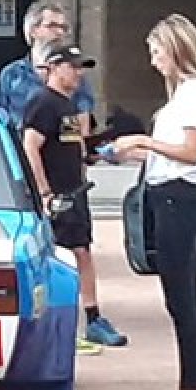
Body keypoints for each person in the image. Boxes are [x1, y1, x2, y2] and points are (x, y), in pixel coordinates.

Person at [111, 14, 196, 390]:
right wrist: (135, 153)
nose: (154, 61)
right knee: (185, 293)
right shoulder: (186, 94)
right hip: (170, 193)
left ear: (177, 50)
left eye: (157, 52)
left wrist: (143, 140)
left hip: (179, 197)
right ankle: (190, 388)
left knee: (182, 295)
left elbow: (192, 153)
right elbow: (176, 152)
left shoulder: (195, 93)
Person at [22, 43, 126, 354]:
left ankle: (92, 318)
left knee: (82, 250)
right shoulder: (43, 103)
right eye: (72, 66)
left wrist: (95, 153)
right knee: (58, 256)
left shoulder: (69, 105)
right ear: (53, 67)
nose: (78, 73)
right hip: (57, 195)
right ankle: (57, 321)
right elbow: (30, 146)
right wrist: (44, 191)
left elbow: (71, 145)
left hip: (75, 191)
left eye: (80, 67)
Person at [0, 1, 96, 131]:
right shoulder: (11, 75)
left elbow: (81, 125)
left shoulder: (74, 75)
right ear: (33, 31)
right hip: (17, 147)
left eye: (63, 27)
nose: (59, 32)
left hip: (59, 147)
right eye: (52, 26)